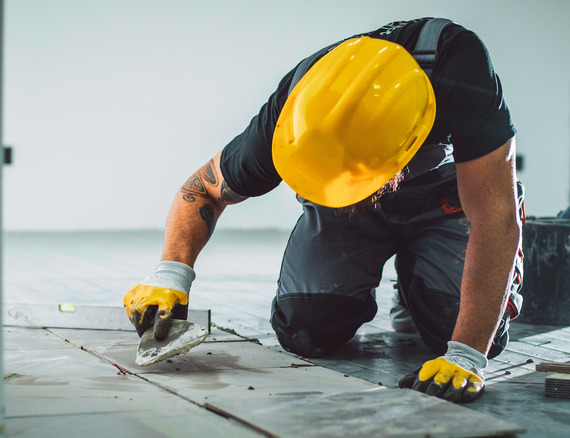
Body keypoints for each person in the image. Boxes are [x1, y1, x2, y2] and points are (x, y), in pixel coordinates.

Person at [123, 17, 523, 403]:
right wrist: (171, 274)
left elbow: (495, 216)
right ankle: (397, 262)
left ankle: (418, 277)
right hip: (347, 209)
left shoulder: (456, 65)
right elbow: (201, 189)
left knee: (462, 327)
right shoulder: (295, 108)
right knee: (305, 329)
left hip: (448, 200)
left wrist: (467, 354)